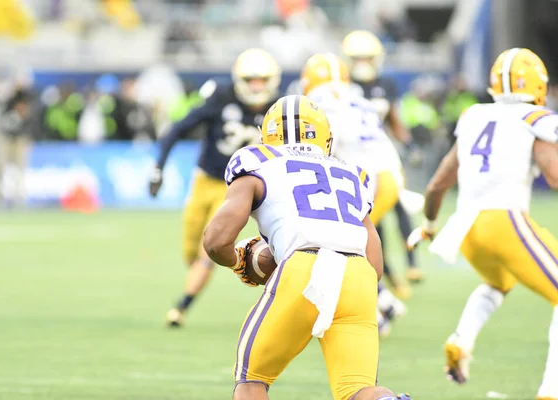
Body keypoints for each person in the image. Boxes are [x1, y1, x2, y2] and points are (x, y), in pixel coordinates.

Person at [203, 94, 412, 400]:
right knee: (359, 389)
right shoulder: (353, 173)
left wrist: (239, 261)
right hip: (359, 278)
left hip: (304, 266)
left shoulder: (256, 161)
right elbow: (375, 266)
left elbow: (215, 240)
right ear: (326, 136)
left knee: (252, 379)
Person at [411, 48, 558, 399]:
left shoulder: (474, 115)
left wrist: (430, 225)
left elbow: (437, 184)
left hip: (466, 228)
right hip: (504, 219)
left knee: (498, 282)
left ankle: (461, 339)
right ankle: (550, 390)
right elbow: (554, 175)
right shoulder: (535, 117)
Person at [149, 48, 282, 327]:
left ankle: (181, 306)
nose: (256, 86)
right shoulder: (221, 97)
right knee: (190, 249)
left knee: (209, 247)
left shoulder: (277, 110)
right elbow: (177, 129)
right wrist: (158, 167)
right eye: (250, 80)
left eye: (262, 80)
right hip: (205, 179)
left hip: (238, 188)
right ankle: (194, 279)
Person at [299, 52, 407, 335]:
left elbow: (326, 147)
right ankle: (385, 300)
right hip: (389, 177)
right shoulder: (360, 100)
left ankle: (374, 313)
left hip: (366, 180)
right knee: (352, 245)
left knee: (341, 249)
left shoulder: (317, 105)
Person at [342, 30, 424, 291]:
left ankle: (413, 262)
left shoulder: (385, 85)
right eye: (358, 58)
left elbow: (394, 121)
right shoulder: (343, 88)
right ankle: (387, 275)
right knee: (369, 218)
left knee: (399, 204)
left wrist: (409, 145)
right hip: (354, 159)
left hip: (381, 153)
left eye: (368, 58)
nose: (363, 63)